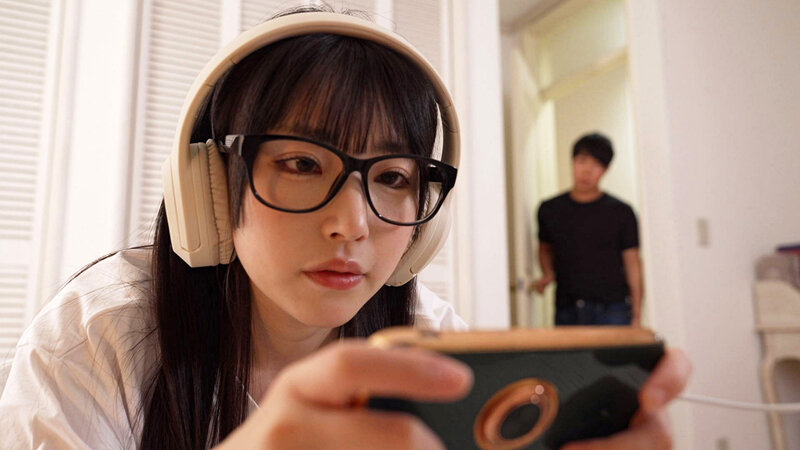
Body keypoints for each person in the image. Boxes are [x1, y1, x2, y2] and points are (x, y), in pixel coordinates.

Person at [0, 7, 688, 449]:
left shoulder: (433, 348)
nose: (351, 225)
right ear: (210, 187)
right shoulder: (94, 341)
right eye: (302, 163)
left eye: (393, 177)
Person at [533, 133, 643, 327]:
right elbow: (545, 248)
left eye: (597, 165)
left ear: (606, 170)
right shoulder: (550, 209)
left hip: (613, 309)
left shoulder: (621, 212)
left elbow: (633, 264)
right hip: (567, 308)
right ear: (572, 161)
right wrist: (548, 273)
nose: (587, 171)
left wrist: (636, 315)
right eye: (582, 161)